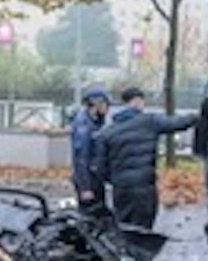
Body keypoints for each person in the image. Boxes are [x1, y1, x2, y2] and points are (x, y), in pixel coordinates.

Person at [89, 87, 199, 229]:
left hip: (121, 187)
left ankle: (125, 250)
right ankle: (139, 250)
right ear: (137, 101)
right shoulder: (149, 122)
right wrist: (198, 116)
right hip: (144, 185)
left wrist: (115, 179)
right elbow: (177, 123)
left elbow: (99, 167)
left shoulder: (107, 132)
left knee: (123, 226)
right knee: (143, 228)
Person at [70, 88, 110, 207]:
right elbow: (81, 157)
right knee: (89, 217)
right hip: (89, 180)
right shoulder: (83, 124)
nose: (107, 108)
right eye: (105, 104)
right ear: (96, 104)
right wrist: (85, 187)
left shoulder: (96, 122)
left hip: (95, 178)